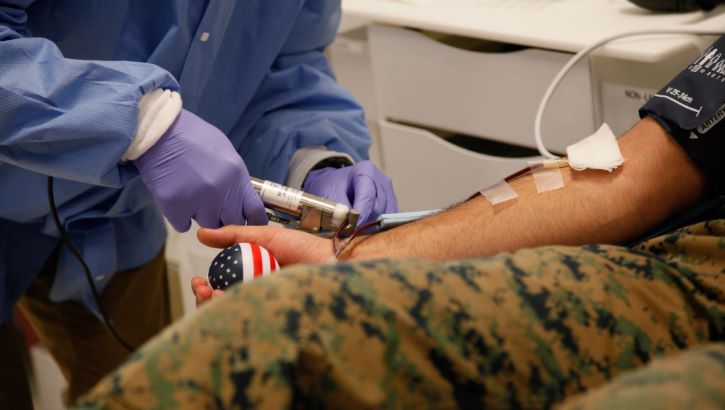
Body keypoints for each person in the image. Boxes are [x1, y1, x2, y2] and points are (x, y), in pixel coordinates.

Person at [73, 38, 725, 408]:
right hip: (687, 265)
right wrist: (344, 265)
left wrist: (311, 154)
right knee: (272, 333)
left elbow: (284, 66)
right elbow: (623, 174)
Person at [0, 0, 398, 407]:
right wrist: (141, 121)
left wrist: (317, 159)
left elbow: (282, 64)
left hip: (109, 219)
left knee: (143, 392)